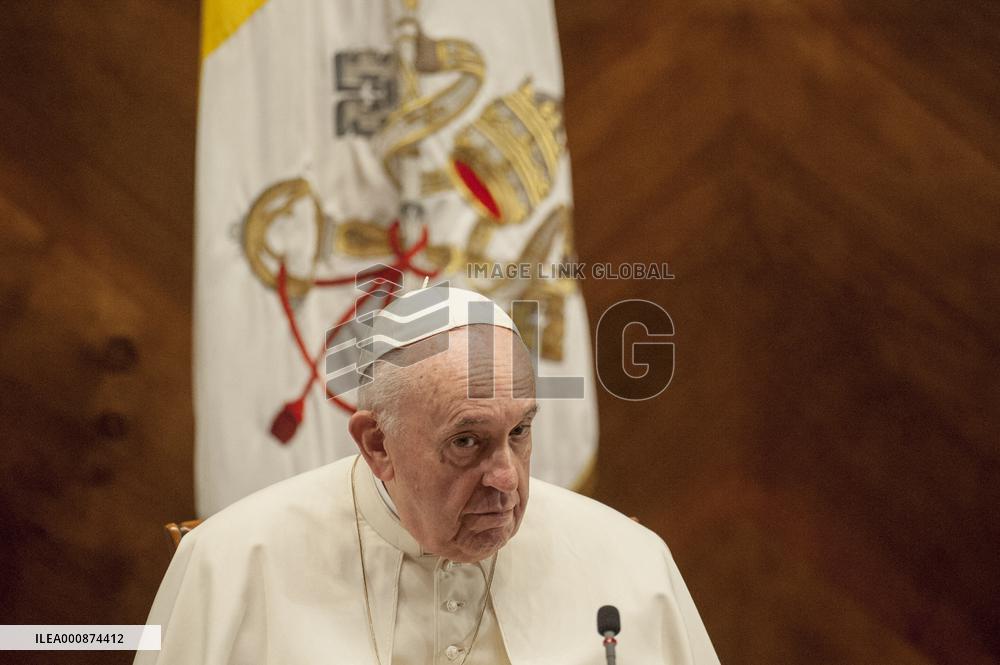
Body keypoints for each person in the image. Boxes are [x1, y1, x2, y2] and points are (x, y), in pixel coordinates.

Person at [136, 286, 720, 664]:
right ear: (377, 444)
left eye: (520, 432)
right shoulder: (231, 564)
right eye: (467, 442)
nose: (506, 479)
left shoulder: (632, 564)